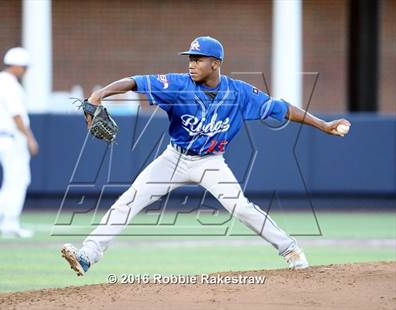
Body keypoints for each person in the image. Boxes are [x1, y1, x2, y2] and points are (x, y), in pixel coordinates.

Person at [61, 36, 351, 275]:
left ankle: (290, 249)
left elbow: (283, 108)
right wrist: (100, 96)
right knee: (130, 200)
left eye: (198, 59)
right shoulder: (177, 84)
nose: (191, 64)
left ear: (216, 64)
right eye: (190, 58)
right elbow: (134, 82)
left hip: (211, 163)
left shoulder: (239, 93)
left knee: (240, 207)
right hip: (174, 159)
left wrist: (323, 125)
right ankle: (87, 255)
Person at [0, 47, 39, 238]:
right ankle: (4, 217)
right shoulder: (9, 84)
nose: (25, 71)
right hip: (12, 137)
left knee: (16, 178)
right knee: (19, 179)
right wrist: (30, 137)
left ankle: (1, 216)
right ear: (16, 65)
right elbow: (16, 115)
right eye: (24, 67)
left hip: (1, 137)